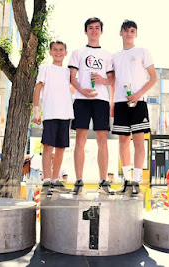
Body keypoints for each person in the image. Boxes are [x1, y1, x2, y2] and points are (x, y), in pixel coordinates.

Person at [68, 17, 114, 195]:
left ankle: (103, 181)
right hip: (82, 99)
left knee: (102, 140)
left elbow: (111, 79)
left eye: (97, 28)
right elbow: (72, 77)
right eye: (90, 28)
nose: (94, 30)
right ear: (85, 31)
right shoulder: (78, 52)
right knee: (80, 140)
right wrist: (82, 90)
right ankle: (79, 181)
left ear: (101, 31)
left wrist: (103, 80)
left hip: (101, 100)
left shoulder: (108, 55)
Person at [110, 20, 157, 196]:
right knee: (123, 142)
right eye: (126, 30)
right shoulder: (114, 56)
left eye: (132, 31)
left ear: (136, 34)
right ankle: (128, 180)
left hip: (139, 102)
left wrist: (138, 95)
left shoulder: (143, 52)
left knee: (138, 141)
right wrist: (112, 103)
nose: (129, 33)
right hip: (121, 103)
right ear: (120, 33)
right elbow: (113, 81)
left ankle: (137, 181)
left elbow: (153, 78)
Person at [32, 41, 74, 194]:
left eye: (61, 50)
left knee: (61, 148)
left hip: (66, 114)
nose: (58, 52)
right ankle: (47, 180)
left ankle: (56, 180)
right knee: (48, 146)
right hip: (50, 113)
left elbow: (73, 88)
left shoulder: (68, 72)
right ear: (50, 52)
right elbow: (37, 89)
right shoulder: (45, 69)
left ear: (65, 52)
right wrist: (36, 110)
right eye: (55, 50)